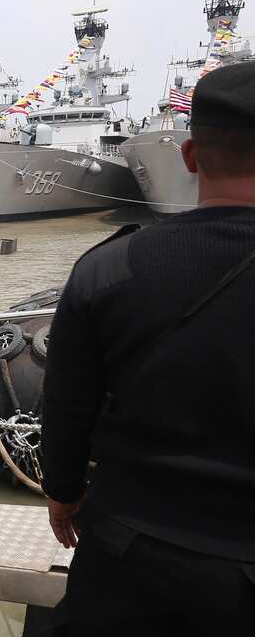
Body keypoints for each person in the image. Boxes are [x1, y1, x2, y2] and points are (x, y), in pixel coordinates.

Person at [41, 61, 255, 634]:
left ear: (190, 155)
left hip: (130, 547)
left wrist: (62, 493)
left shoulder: (107, 269)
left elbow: (66, 404)